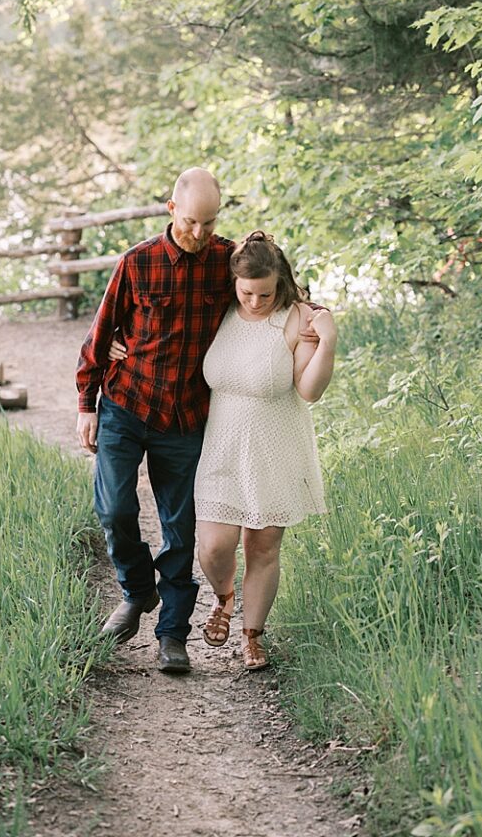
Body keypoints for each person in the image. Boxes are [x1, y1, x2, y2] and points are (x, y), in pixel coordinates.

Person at [76, 168, 234, 675]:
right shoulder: (138, 263)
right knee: (116, 509)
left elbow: (271, 290)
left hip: (187, 416)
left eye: (210, 223)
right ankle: (137, 590)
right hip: (126, 404)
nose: (201, 233)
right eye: (192, 222)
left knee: (180, 529)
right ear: (171, 210)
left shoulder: (226, 261)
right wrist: (85, 403)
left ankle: (172, 634)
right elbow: (101, 334)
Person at [193, 230, 336, 670]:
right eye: (248, 292)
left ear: (282, 282)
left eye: (266, 293)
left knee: (263, 547)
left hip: (275, 446)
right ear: (235, 283)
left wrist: (327, 342)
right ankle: (224, 596)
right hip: (222, 448)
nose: (256, 302)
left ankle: (253, 634)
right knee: (213, 547)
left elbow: (309, 390)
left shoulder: (296, 318)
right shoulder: (219, 312)